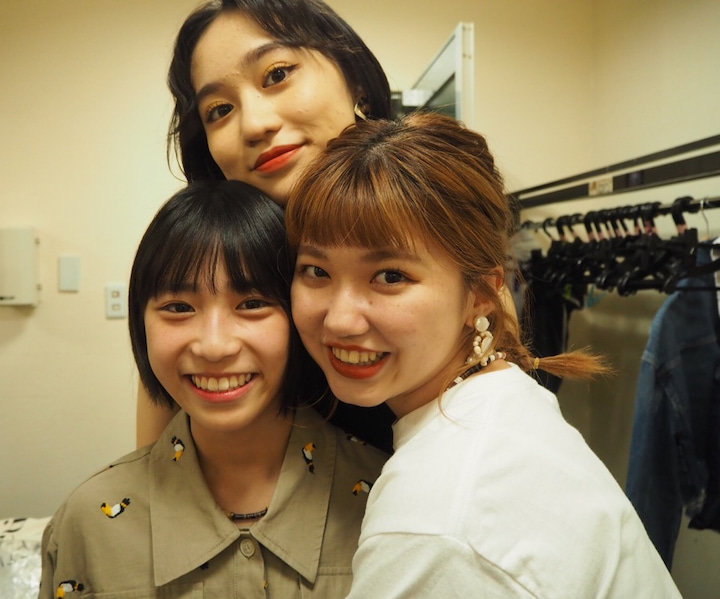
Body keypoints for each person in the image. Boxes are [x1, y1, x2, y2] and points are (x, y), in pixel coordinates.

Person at [286, 111, 682, 598]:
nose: (340, 320)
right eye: (316, 271)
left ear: (479, 294)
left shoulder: (436, 526)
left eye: (390, 276)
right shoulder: (501, 398)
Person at [39, 181, 387, 597]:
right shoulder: (88, 523)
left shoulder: (387, 500)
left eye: (252, 304)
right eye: (178, 308)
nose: (215, 346)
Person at [138, 0, 395, 450]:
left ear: (355, 79)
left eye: (277, 75)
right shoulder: (201, 262)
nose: (254, 124)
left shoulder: (435, 228)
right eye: (219, 109)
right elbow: (154, 472)